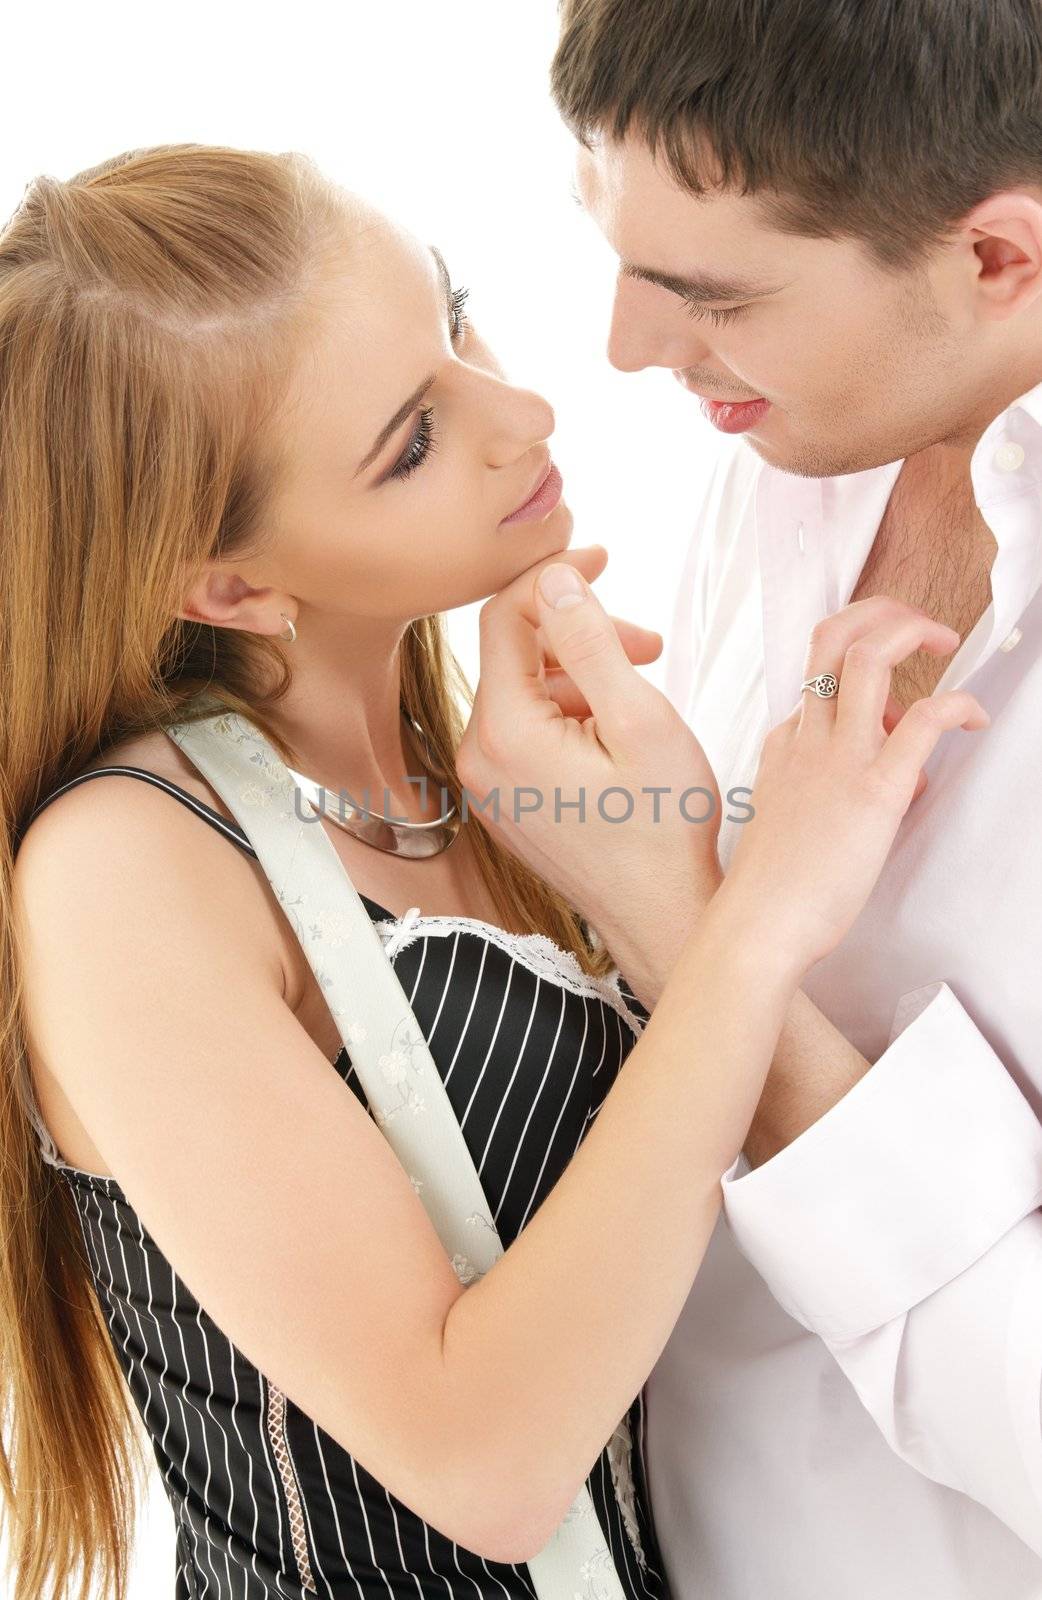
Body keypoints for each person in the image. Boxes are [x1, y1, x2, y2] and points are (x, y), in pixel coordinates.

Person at [0, 144, 979, 1600]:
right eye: (410, 441)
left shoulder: (496, 783)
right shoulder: (127, 863)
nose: (522, 413)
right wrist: (748, 919)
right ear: (232, 587)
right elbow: (486, 1464)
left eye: (456, 319)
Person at [468, 1, 1042, 1596]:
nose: (624, 349)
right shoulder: (794, 457)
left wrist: (684, 924)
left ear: (998, 255)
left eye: (711, 293)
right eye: (615, 250)